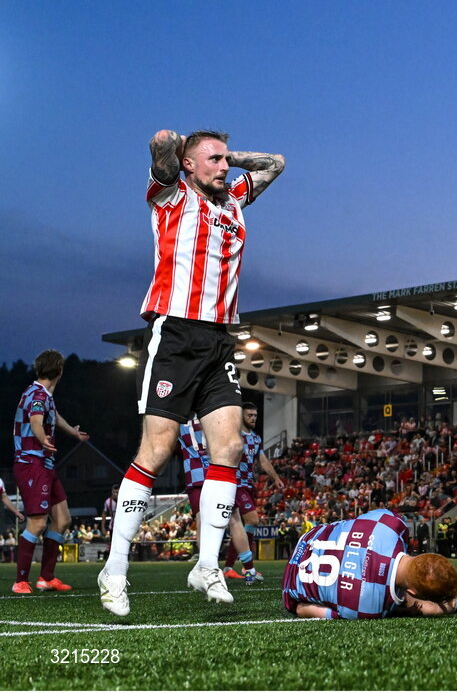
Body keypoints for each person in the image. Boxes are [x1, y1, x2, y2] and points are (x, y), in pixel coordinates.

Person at [99, 130, 285, 617]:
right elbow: (161, 164)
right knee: (157, 450)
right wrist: (166, 150)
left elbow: (276, 164)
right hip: (177, 334)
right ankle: (114, 569)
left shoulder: (234, 200)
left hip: (221, 337)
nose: (225, 167)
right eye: (214, 159)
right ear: (189, 164)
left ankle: (206, 565)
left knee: (230, 446)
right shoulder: (171, 195)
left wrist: (230, 153)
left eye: (227, 160)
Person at [283, 508, 457, 619]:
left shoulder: (391, 523)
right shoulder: (369, 607)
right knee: (418, 609)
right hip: (291, 591)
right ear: (413, 591)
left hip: (311, 537)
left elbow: (352, 524)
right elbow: (302, 609)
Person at [11, 350, 89, 593]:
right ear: (60, 371)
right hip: (31, 463)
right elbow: (36, 420)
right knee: (37, 522)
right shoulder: (36, 394)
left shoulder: (45, 395)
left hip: (44, 464)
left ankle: (46, 578)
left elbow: (52, 415)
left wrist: (73, 432)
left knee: (63, 519)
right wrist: (43, 439)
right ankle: (20, 581)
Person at [224, 403, 285, 582]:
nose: (253, 418)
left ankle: (229, 567)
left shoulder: (256, 438)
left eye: (255, 416)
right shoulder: (234, 436)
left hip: (248, 484)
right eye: (249, 415)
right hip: (235, 484)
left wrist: (275, 478)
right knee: (252, 520)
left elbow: (263, 461)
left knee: (242, 527)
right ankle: (246, 566)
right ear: (241, 416)